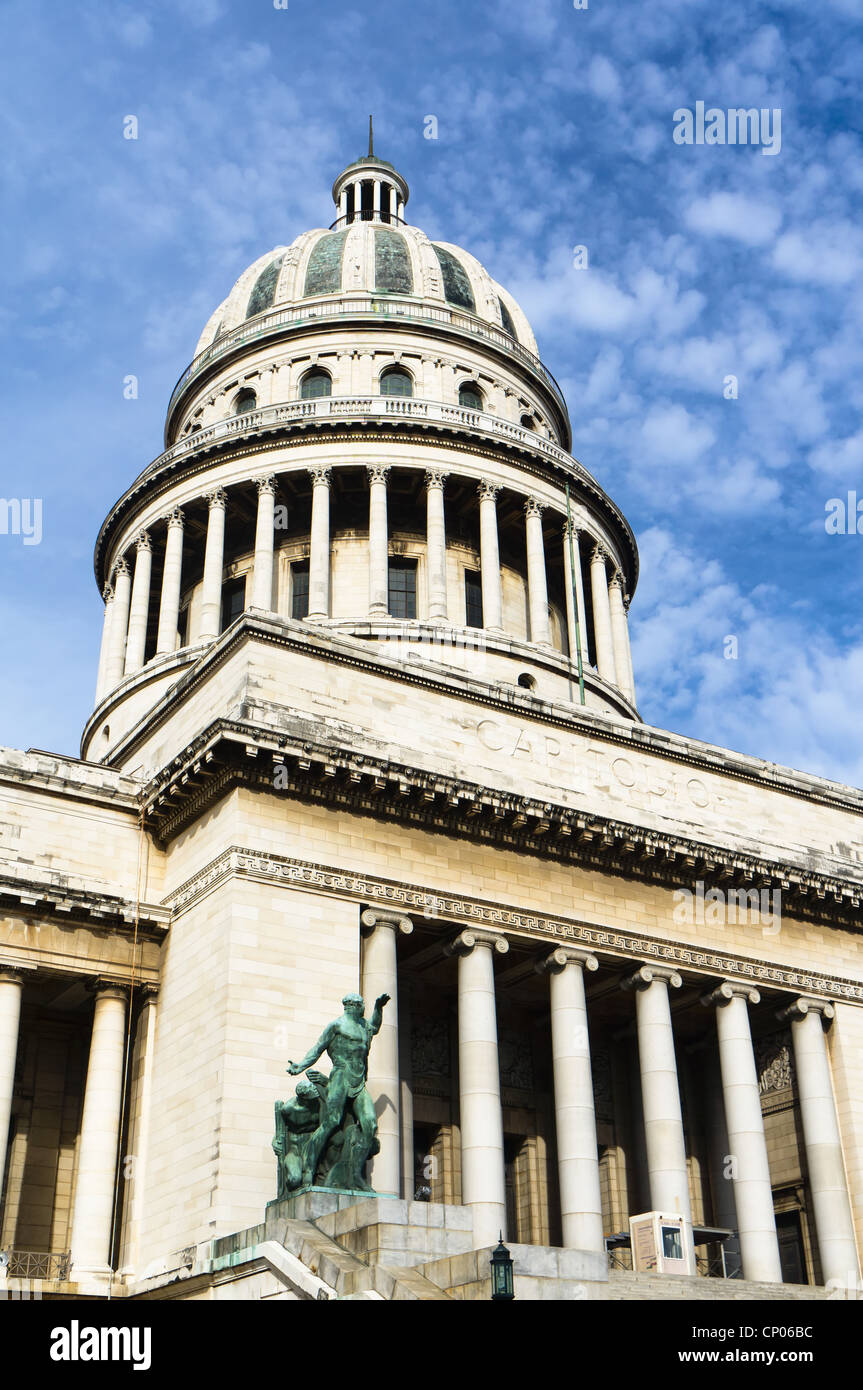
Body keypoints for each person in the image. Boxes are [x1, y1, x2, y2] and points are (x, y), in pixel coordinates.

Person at [286, 992, 389, 1189]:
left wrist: (379, 1007)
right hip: (340, 1077)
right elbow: (317, 1049)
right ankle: (309, 1169)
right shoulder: (337, 1026)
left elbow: (375, 1026)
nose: (363, 1009)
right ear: (353, 1006)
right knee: (330, 1123)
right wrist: (299, 1066)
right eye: (362, 1005)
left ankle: (355, 1175)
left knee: (370, 1124)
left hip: (358, 1081)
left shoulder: (363, 1026)